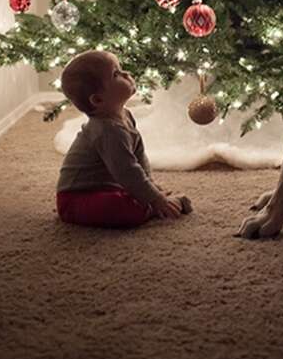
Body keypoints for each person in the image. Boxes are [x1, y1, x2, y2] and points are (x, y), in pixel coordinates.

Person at [56, 50, 192, 228]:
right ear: (98, 99)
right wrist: (156, 199)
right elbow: (127, 170)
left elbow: (138, 155)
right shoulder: (107, 131)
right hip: (76, 200)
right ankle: (153, 208)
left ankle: (149, 201)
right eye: (116, 74)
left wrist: (150, 186)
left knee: (135, 192)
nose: (126, 74)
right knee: (125, 208)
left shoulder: (125, 115)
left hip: (107, 186)